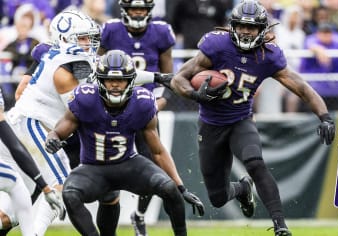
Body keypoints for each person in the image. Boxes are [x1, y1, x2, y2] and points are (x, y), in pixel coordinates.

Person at [170, 1, 335, 235]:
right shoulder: (217, 45)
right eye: (242, 26)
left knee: (255, 163)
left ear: (261, 30)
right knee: (217, 197)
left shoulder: (268, 56)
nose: (246, 32)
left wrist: (325, 116)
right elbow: (179, 79)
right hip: (211, 124)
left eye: (252, 27)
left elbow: (301, 86)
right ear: (233, 26)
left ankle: (280, 225)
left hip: (240, 120)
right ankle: (241, 189)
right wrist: (196, 94)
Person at [44, 49, 204, 236]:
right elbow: (58, 131)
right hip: (93, 167)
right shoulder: (85, 98)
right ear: (100, 80)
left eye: (120, 80)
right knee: (70, 194)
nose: (114, 85)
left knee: (168, 188)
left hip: (128, 164)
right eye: (109, 80)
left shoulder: (142, 102)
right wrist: (52, 139)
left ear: (131, 81)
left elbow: (158, 151)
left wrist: (181, 188)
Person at [3, 9, 100, 236]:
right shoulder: (62, 70)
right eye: (82, 38)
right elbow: (78, 112)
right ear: (65, 38)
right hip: (32, 125)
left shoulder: (65, 58)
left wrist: (155, 78)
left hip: (28, 125)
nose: (88, 43)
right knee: (61, 182)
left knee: (13, 213)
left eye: (89, 37)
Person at [99, 0, 178, 234]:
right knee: (104, 164)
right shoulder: (111, 30)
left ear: (149, 11)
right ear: (124, 10)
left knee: (154, 166)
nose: (137, 13)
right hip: (112, 108)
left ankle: (139, 214)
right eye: (134, 9)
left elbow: (168, 77)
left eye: (142, 9)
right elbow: (96, 69)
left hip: (144, 108)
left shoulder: (161, 32)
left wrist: (155, 106)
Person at [0, 88, 65, 235]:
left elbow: (14, 146)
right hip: (15, 150)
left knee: (9, 217)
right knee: (16, 186)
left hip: (29, 155)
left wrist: (43, 185)